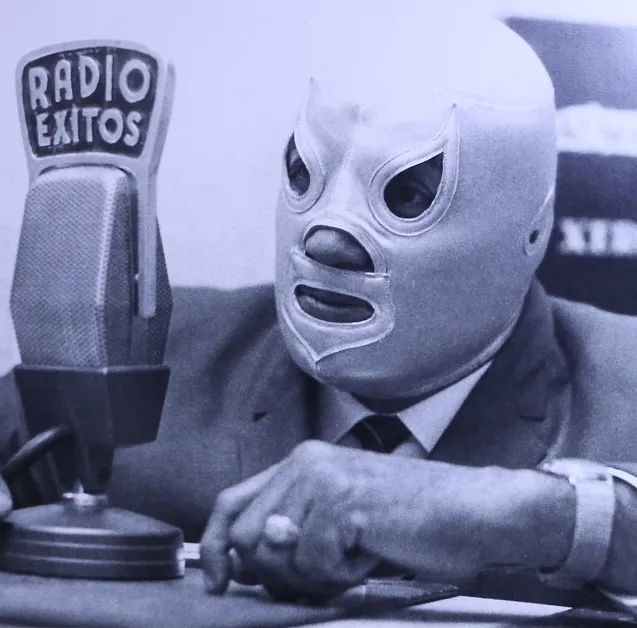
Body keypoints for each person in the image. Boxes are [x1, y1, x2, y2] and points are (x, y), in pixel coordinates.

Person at [1, 4, 637, 615]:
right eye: (306, 175)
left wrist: (526, 514)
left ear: (532, 229)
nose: (325, 240)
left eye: (408, 193)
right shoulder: (142, 361)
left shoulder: (624, 385)